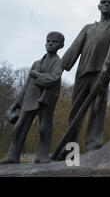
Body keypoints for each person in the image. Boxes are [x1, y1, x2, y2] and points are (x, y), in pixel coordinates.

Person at [61, 0, 110, 151]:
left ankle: (93, 145)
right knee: (76, 110)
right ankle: (69, 148)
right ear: (99, 7)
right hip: (83, 71)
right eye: (104, 2)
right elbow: (75, 48)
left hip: (102, 72)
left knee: (97, 109)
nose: (107, 4)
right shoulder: (88, 28)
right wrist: (60, 67)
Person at [0, 32, 65, 164]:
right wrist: (16, 104)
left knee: (44, 128)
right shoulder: (36, 63)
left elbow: (52, 79)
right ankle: (13, 155)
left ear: (61, 46)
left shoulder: (59, 62)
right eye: (48, 41)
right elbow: (26, 85)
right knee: (19, 127)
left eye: (54, 41)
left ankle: (42, 155)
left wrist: (37, 75)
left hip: (46, 99)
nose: (50, 43)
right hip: (30, 98)